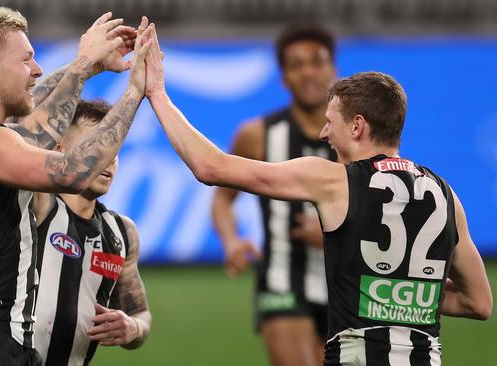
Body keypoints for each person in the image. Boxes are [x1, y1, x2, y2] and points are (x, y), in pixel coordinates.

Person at [144, 27, 492, 364]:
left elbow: (210, 167)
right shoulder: (445, 193)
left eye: (332, 122)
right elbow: (479, 304)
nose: (325, 132)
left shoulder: (332, 178)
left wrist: (157, 94)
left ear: (357, 126)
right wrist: (405, 290)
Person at [0, 7, 153, 365]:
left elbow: (32, 115)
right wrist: (135, 91)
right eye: (27, 59)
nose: (37, 69)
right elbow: (73, 172)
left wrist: (88, 67)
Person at [211, 23, 336, 365]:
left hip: (346, 283)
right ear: (284, 77)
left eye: (317, 61)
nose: (308, 72)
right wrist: (231, 240)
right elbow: (223, 198)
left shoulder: (357, 136)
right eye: (296, 65)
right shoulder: (258, 135)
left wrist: (335, 230)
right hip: (282, 280)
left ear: (333, 69)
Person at [33, 99, 152, 366]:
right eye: (95, 146)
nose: (107, 159)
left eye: (114, 149)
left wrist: (133, 327)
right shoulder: (36, 204)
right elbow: (28, 133)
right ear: (60, 148)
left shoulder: (122, 232)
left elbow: (141, 313)